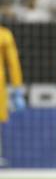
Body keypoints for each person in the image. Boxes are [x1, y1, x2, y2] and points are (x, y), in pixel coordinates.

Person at [0, 24, 26, 166]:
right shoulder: (4, 35)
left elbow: (13, 63)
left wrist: (17, 89)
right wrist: (17, 89)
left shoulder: (4, 35)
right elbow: (13, 63)